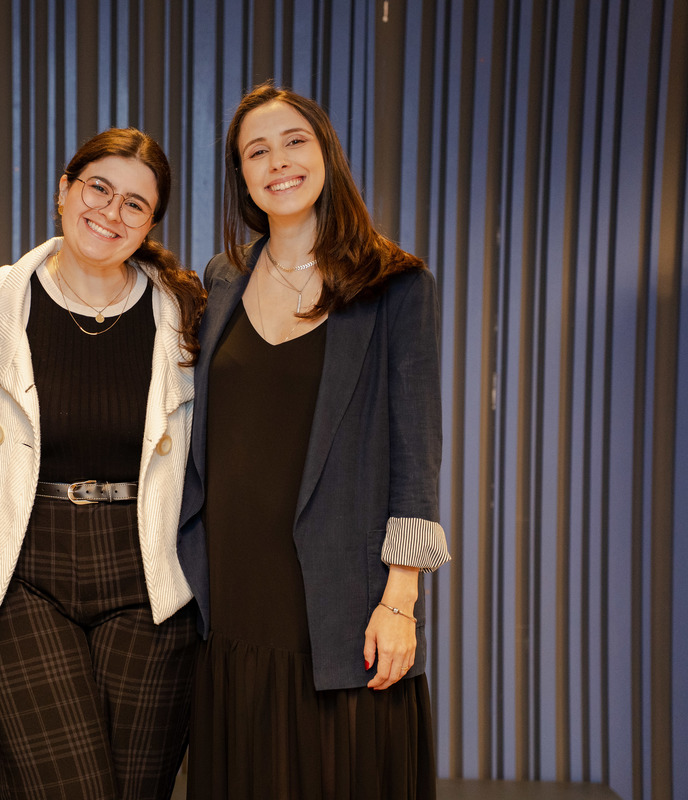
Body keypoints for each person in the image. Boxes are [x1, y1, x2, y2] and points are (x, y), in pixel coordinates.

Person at [177, 83, 452, 799]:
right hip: (234, 601)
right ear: (241, 177)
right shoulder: (222, 280)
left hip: (344, 608)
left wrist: (400, 602)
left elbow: (417, 453)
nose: (278, 162)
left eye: (294, 142)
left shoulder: (395, 284)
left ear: (326, 152)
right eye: (256, 152)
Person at [0, 128, 206, 800]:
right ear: (64, 190)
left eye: (135, 204)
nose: (111, 212)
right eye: (99, 188)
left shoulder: (186, 313)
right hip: (20, 569)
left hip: (149, 572)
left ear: (150, 224)